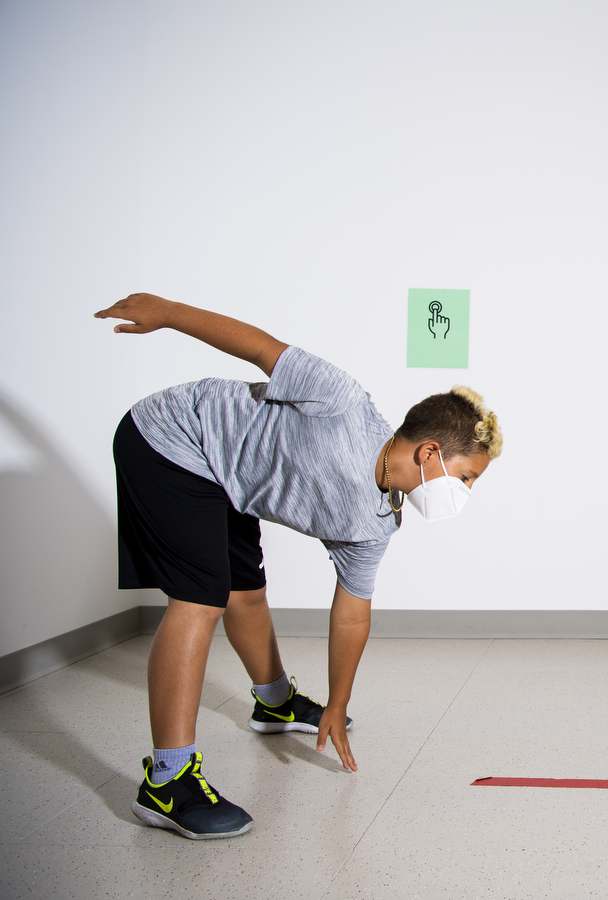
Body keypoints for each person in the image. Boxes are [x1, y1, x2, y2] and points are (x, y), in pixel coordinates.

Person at [95, 292, 503, 839]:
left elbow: (352, 614)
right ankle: (166, 783)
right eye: (468, 477)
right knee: (199, 601)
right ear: (430, 453)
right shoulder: (342, 402)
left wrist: (339, 701)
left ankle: (275, 702)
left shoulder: (378, 520)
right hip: (173, 437)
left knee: (246, 591)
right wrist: (166, 313)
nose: (468, 492)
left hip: (230, 480)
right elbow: (260, 348)